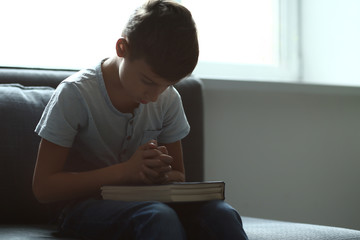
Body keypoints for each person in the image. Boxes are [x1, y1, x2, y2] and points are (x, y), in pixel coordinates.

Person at [32, 0, 248, 239]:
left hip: (146, 201)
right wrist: (125, 172)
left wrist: (156, 173)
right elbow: (44, 187)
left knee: (222, 214)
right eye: (148, 81)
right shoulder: (75, 94)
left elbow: (178, 174)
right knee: (157, 216)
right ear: (122, 48)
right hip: (80, 207)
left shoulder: (168, 99)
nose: (155, 96)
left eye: (167, 85)